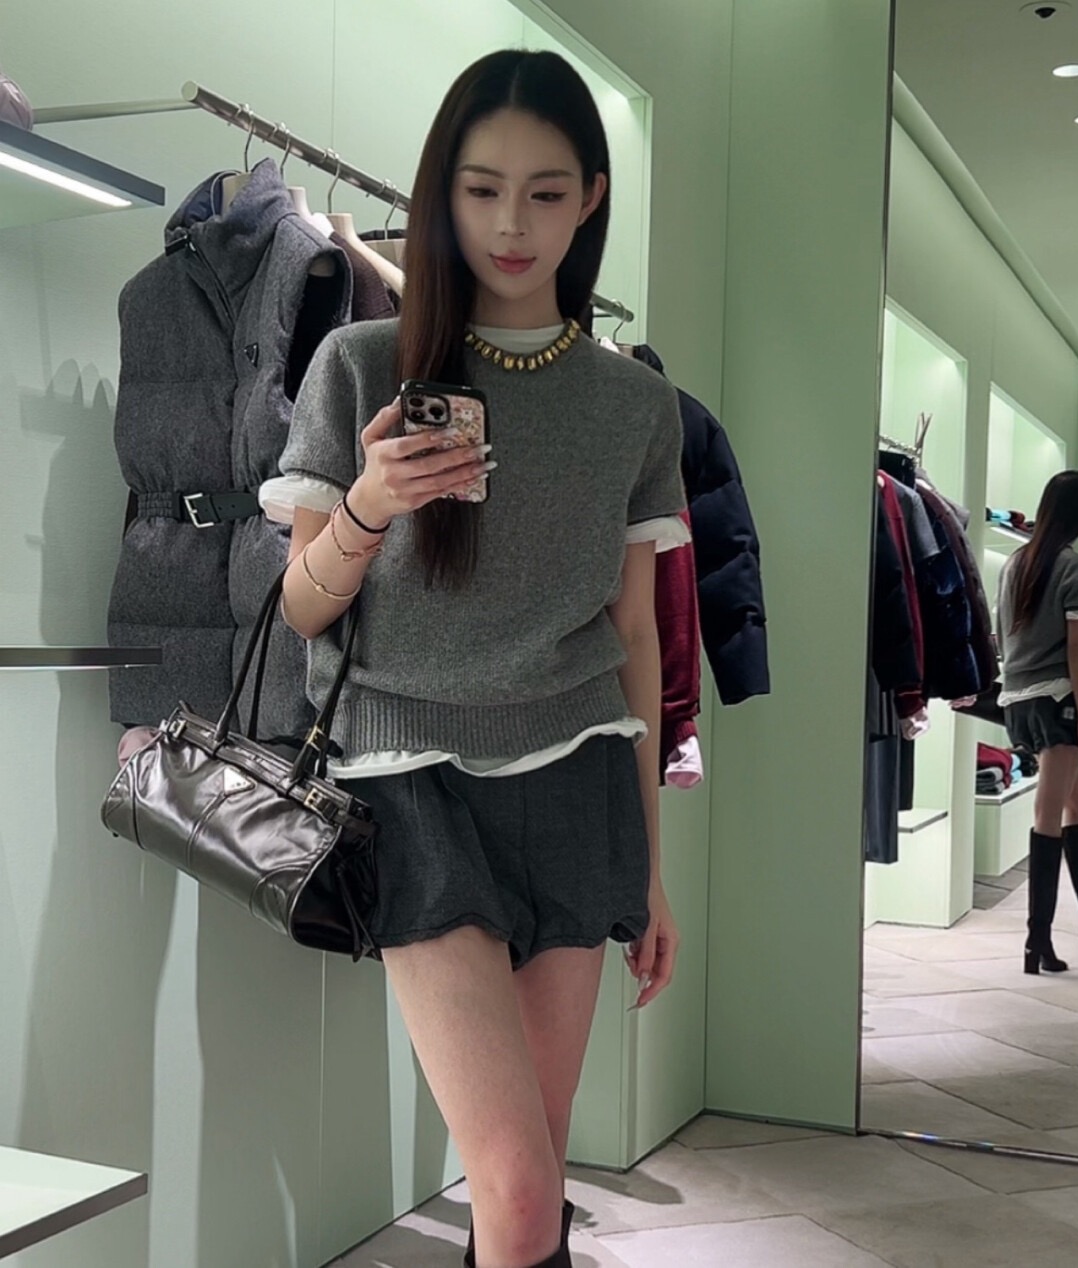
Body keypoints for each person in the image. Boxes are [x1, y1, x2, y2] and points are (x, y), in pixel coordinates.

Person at [260, 49, 687, 1268]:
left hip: (578, 778)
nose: (510, 225)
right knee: (511, 1177)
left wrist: (650, 871)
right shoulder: (360, 365)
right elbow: (300, 609)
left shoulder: (634, 406)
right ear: (440, 191)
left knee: (533, 1183)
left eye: (545, 193)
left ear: (590, 199)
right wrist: (370, 503)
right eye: (482, 188)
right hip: (408, 779)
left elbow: (637, 636)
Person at [997, 469, 1078, 976]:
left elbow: (1002, 632)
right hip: (1058, 701)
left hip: (1018, 700)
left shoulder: (1015, 563)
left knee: (1076, 806)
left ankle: (1041, 941)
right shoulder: (1072, 567)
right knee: (1049, 816)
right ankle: (1037, 943)